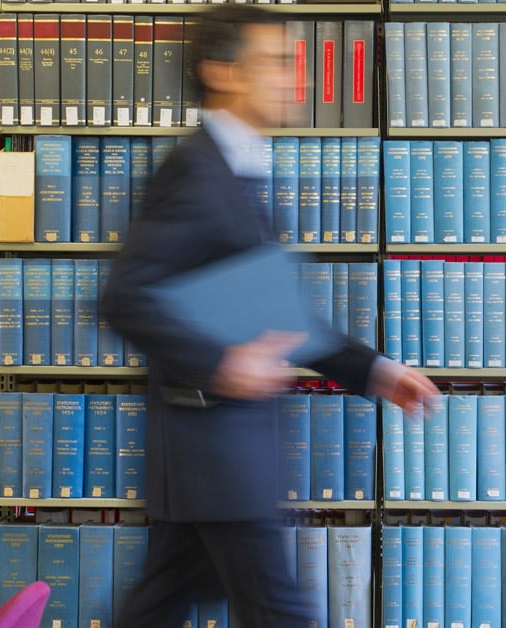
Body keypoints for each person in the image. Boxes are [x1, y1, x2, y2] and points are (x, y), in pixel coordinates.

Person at [99, 5, 440, 627]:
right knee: (279, 613)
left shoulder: (238, 169)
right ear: (221, 71)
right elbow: (125, 296)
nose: (295, 79)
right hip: (215, 451)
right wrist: (222, 363)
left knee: (159, 605)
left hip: (217, 455)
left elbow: (274, 314)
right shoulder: (193, 171)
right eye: (278, 63)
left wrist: (374, 370)